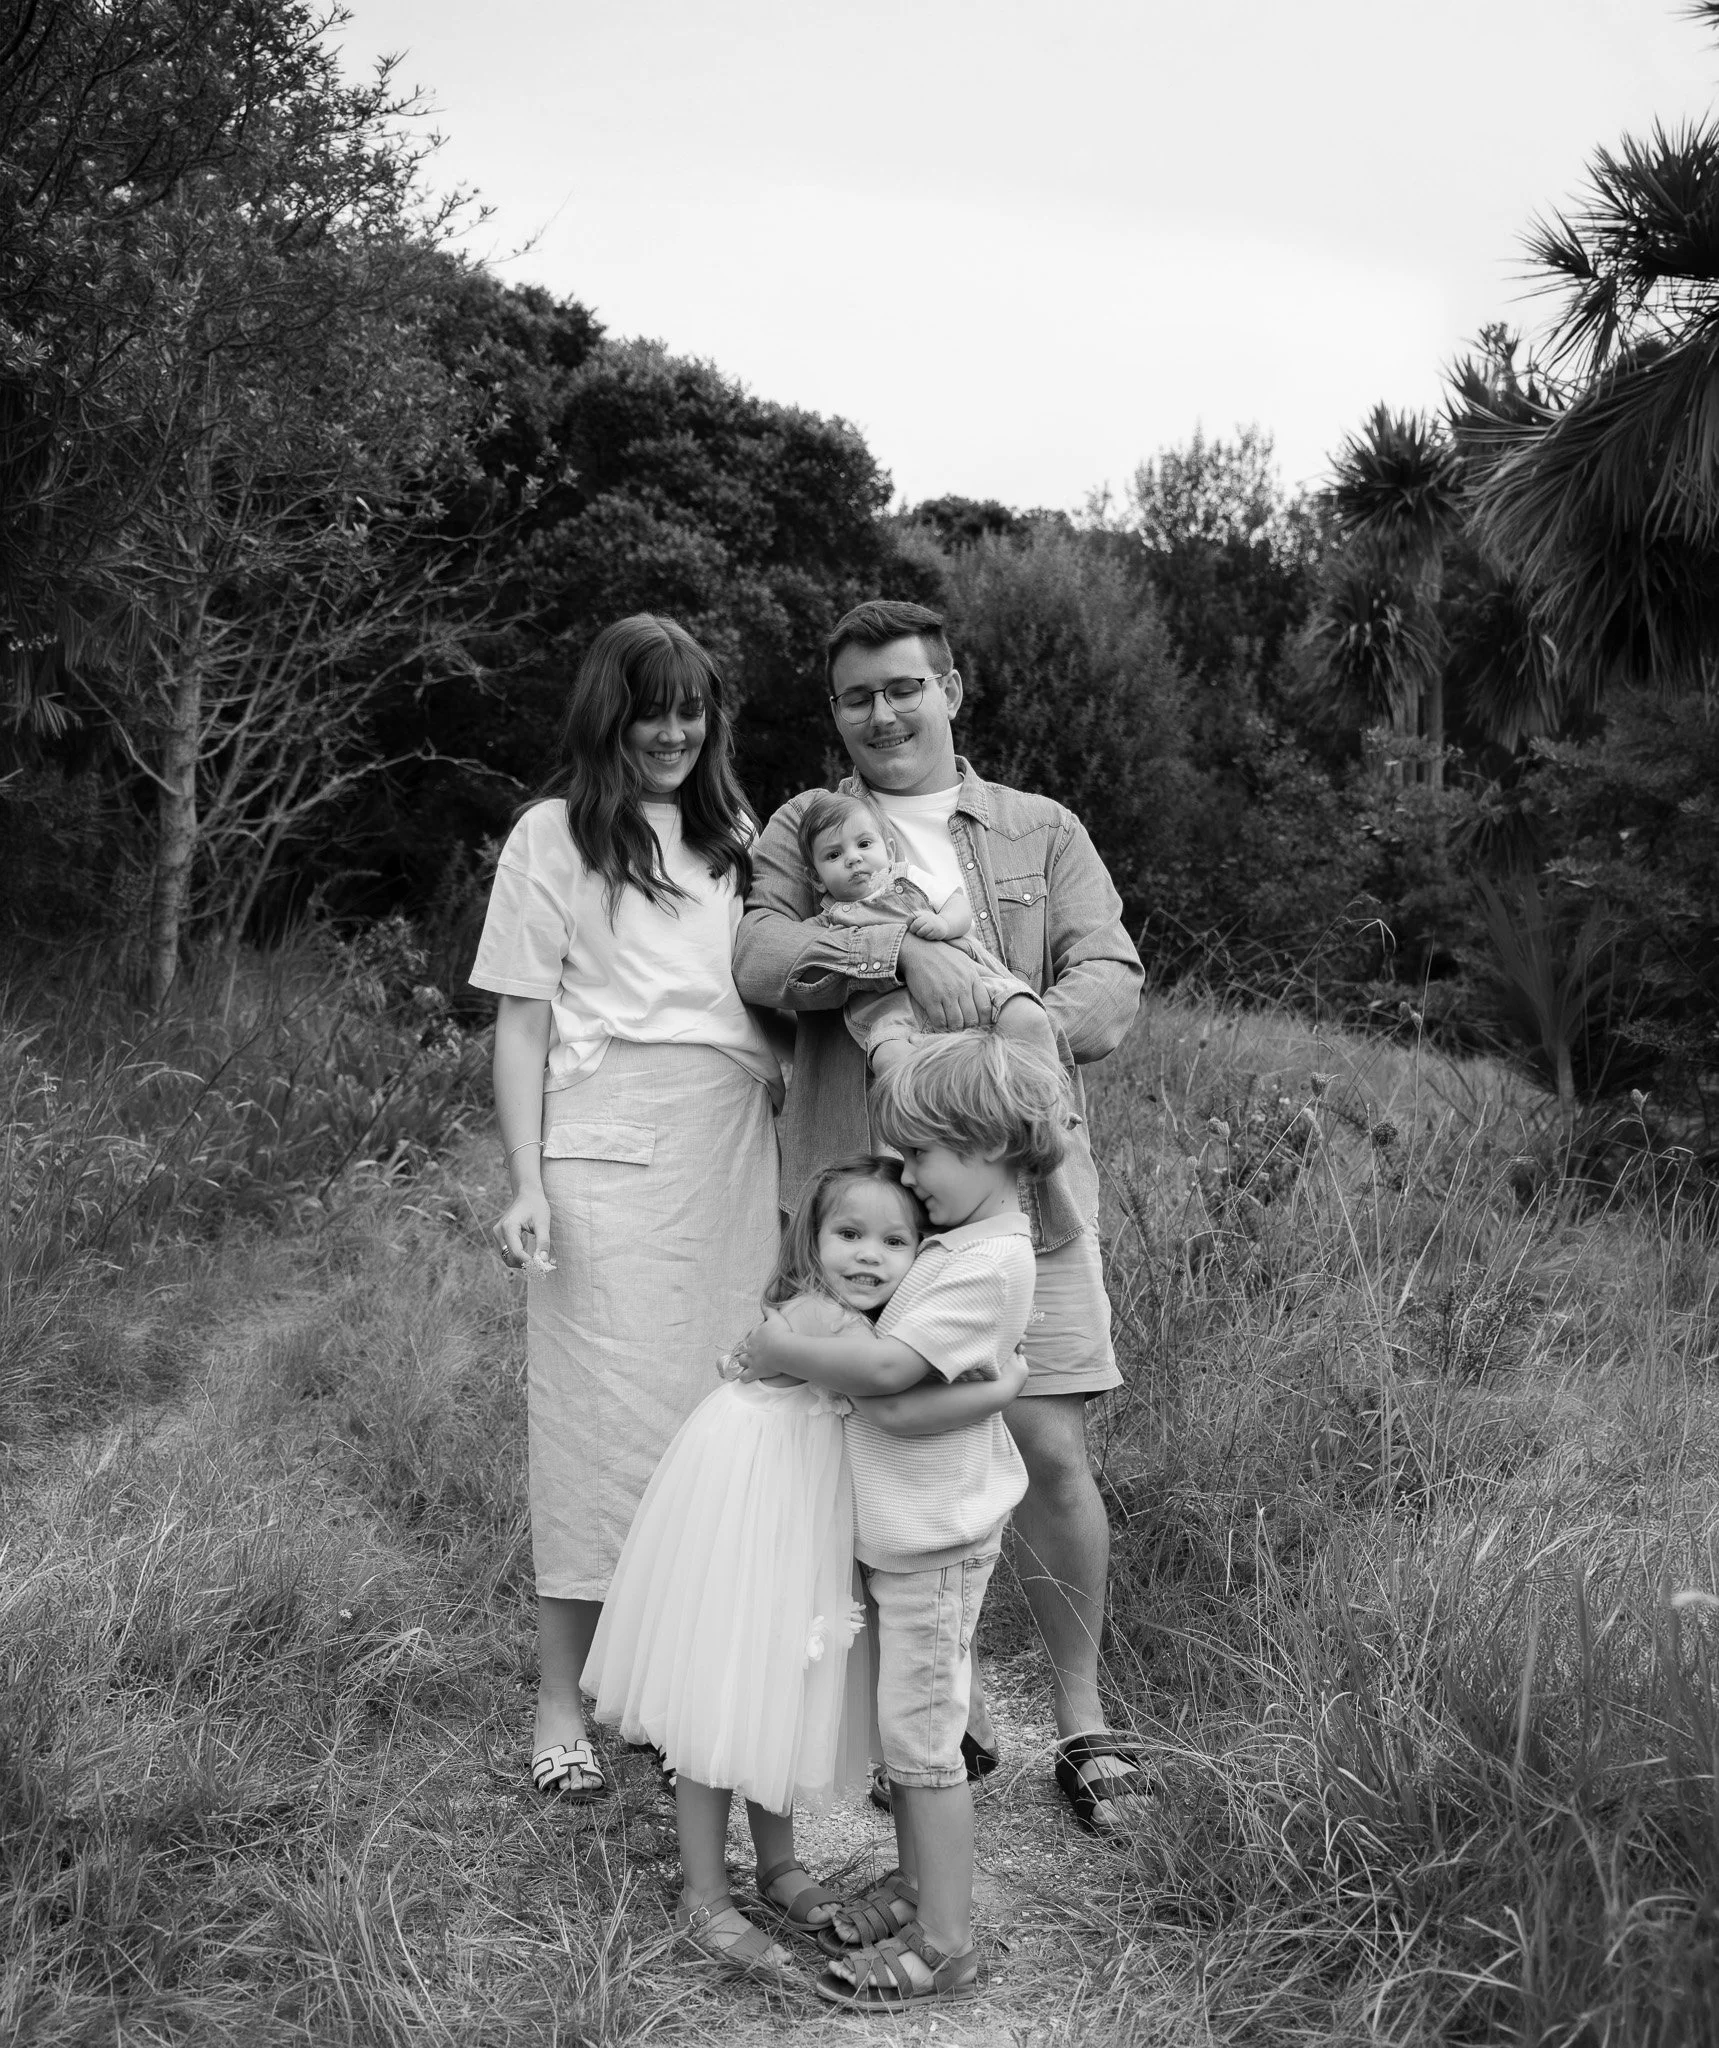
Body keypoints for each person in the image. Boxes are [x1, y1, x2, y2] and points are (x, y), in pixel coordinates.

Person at [734, 597, 1154, 1832]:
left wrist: (992, 1039)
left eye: (905, 686)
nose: (883, 713)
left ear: (952, 689)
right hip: (866, 1201)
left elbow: (1112, 983)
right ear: (836, 713)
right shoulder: (802, 827)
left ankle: (1081, 1720)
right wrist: (898, 956)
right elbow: (761, 963)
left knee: (1051, 1450)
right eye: (858, 696)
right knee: (873, 1452)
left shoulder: (1041, 828)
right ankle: (928, 1716)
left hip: (1023, 1193)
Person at [470, 613, 782, 1810]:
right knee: (592, 1425)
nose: (672, 730)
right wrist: (528, 1178)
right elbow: (522, 1021)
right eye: (650, 708)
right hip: (605, 1143)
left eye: (691, 708)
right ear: (609, 713)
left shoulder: (739, 836)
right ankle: (562, 1699)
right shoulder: (552, 834)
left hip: (729, 1148)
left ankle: (656, 1692)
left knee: (711, 1420)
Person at [584, 1154, 1021, 1982]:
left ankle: (778, 1867)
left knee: (777, 1687)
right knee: (730, 1692)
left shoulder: (849, 1320)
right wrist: (1005, 1386)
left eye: (894, 1241)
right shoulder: (828, 1322)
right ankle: (704, 1896)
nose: (868, 1255)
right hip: (757, 1510)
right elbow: (893, 1395)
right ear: (810, 1242)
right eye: (848, 1233)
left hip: (792, 1514)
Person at [734, 1033, 1058, 2007]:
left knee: (922, 1745)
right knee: (903, 1735)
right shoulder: (952, 1243)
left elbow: (889, 1385)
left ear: (989, 1144)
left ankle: (947, 1943)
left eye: (920, 1154)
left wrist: (778, 1348)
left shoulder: (988, 1261)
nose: (906, 1176)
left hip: (934, 1541)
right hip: (901, 1532)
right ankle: (918, 1891)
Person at [797, 787, 1056, 1075]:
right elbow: (805, 959)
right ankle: (931, 1102)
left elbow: (958, 903)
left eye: (864, 844)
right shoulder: (829, 920)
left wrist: (944, 923)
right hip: (895, 1015)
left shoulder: (907, 878)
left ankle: (1045, 1095)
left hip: (970, 983)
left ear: (890, 851)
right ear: (816, 879)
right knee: (889, 1059)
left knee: (1028, 1017)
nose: (853, 858)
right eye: (834, 855)